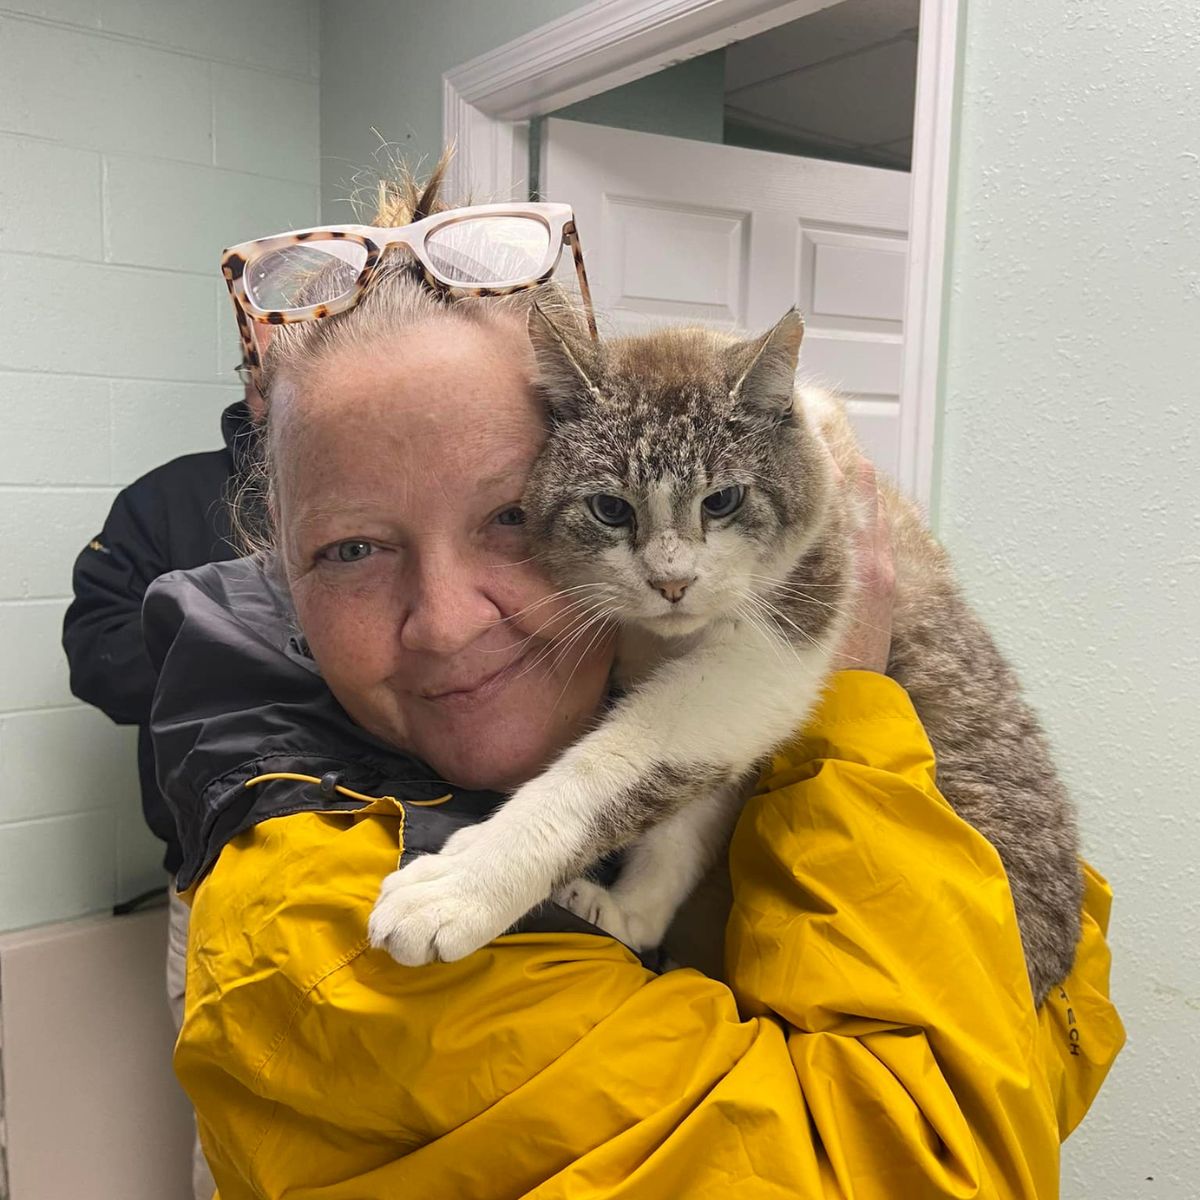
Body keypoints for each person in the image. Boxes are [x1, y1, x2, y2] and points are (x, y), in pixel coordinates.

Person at [144, 166, 1124, 1199]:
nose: (445, 620)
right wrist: (855, 722)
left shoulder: (619, 682)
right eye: (350, 550)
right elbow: (945, 1156)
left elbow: (1058, 1013)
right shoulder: (330, 944)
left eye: (509, 519)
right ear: (276, 565)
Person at [61, 370, 262, 1200]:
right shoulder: (168, 501)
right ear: (251, 370)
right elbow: (98, 655)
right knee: (235, 1145)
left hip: (410, 870)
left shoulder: (413, 484)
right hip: (216, 883)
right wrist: (267, 652)